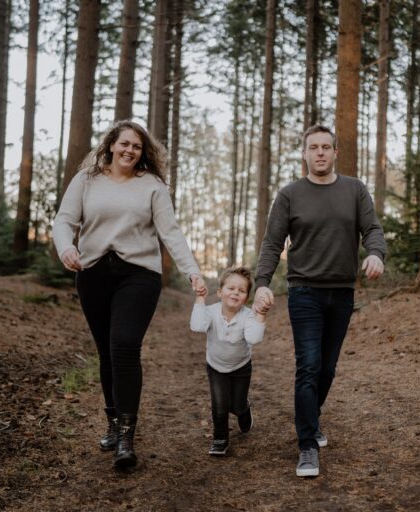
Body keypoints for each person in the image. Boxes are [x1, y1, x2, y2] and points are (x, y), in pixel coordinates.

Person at [52, 120, 207, 469]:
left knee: (124, 345)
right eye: (124, 143)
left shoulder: (151, 185)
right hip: (93, 274)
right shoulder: (87, 179)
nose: (129, 150)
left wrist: (192, 271)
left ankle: (126, 435)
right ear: (111, 145)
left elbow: (171, 232)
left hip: (139, 274)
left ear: (142, 152)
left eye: (136, 146)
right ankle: (112, 420)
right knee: (106, 352)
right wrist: (66, 248)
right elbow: (64, 221)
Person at [253, 125, 386, 477]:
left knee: (327, 368)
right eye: (313, 147)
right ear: (304, 154)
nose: (320, 153)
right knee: (309, 366)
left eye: (326, 147)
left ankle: (311, 416)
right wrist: (261, 283)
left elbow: (372, 229)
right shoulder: (290, 194)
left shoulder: (354, 189)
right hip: (304, 292)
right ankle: (307, 445)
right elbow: (272, 243)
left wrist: (376, 253)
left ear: (335, 152)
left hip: (342, 292)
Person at [190, 266, 266, 456]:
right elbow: (197, 325)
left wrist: (261, 315)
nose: (235, 293)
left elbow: (254, 338)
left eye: (241, 290)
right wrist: (200, 299)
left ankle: (244, 409)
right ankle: (220, 438)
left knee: (236, 406)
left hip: (241, 367)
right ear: (219, 292)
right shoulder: (211, 312)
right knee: (220, 405)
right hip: (216, 366)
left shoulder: (248, 315)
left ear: (246, 298)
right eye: (231, 288)